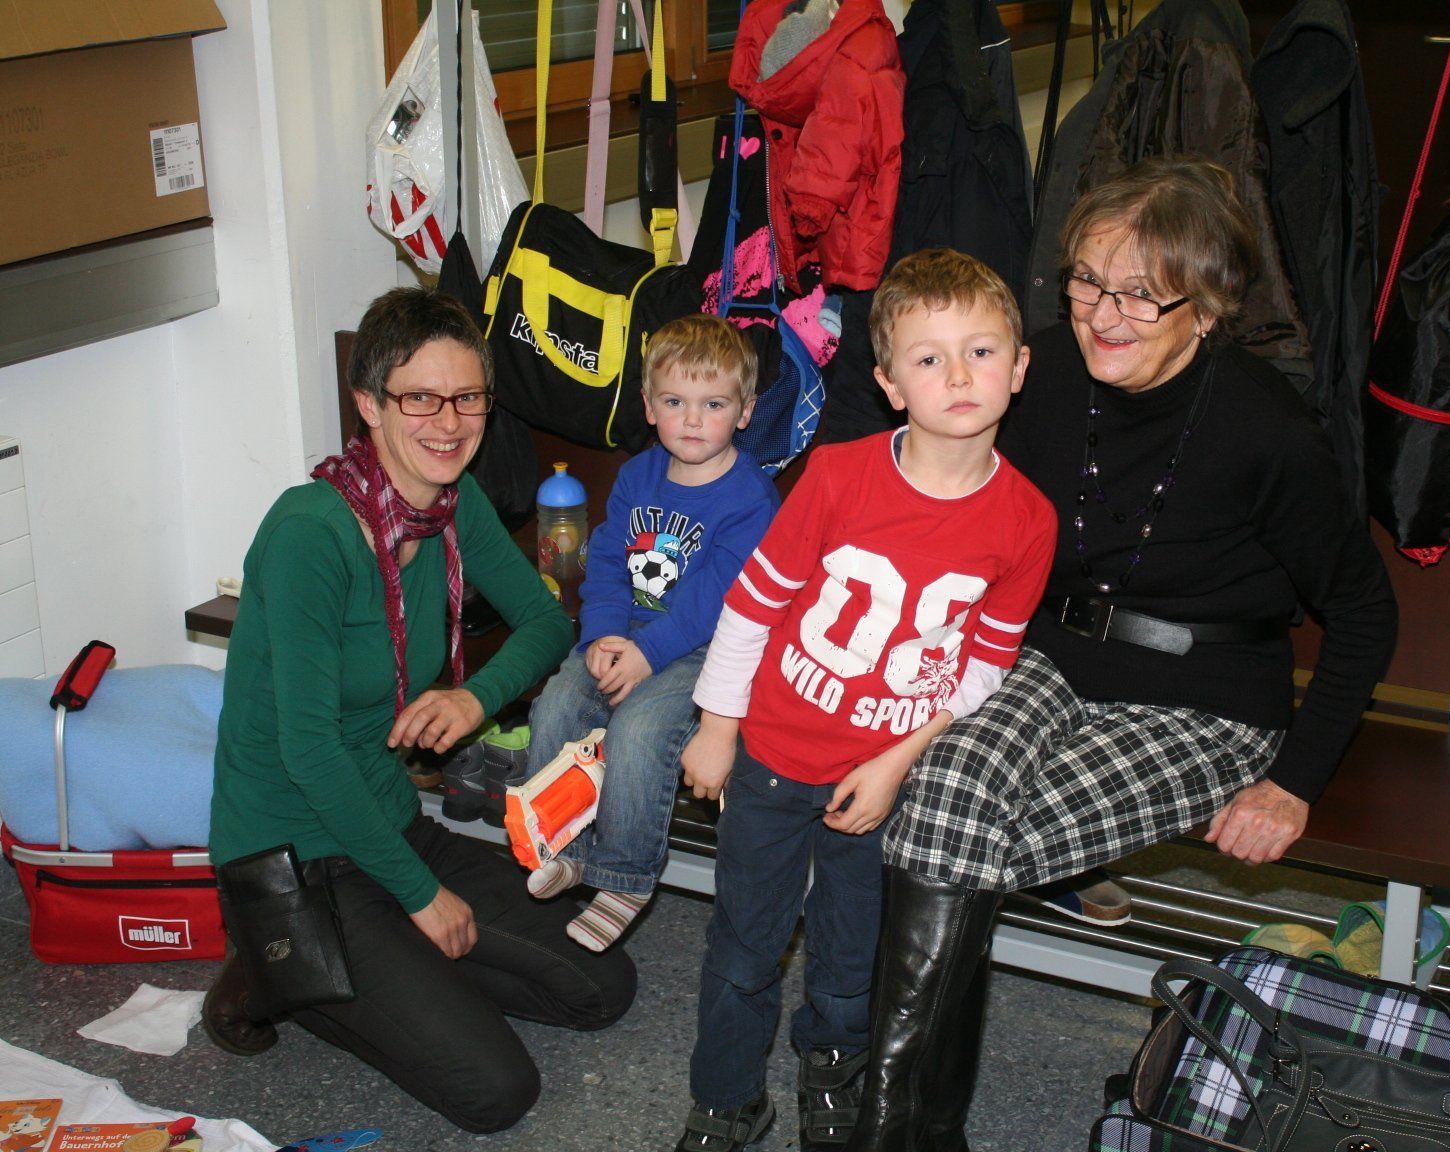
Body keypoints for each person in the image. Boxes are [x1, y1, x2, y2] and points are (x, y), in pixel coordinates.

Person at [845, 158, 1399, 1149]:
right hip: (1047, 653)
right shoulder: (1045, 372)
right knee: (948, 804)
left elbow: (1363, 614)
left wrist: (1294, 784)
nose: (1105, 315)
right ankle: (906, 1130)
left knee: (940, 840)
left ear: (1209, 306)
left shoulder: (1268, 430)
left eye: (1143, 294)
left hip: (1203, 699)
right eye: (1089, 282)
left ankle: (891, 1128)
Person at [204, 287, 636, 1133]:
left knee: (601, 986)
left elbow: (549, 621)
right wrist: (419, 896)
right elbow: (309, 751)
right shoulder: (309, 535)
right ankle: (269, 974)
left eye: (468, 396)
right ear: (369, 404)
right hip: (294, 857)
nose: (449, 421)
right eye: (420, 398)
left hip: (385, 821)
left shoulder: (451, 503)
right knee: (496, 1092)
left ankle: (389, 968)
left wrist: (475, 696)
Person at [672, 249, 1057, 1152]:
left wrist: (897, 760)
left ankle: (832, 1079)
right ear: (889, 384)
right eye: (928, 358)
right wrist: (718, 725)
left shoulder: (1027, 520)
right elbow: (754, 605)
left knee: (852, 962)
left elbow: (984, 665)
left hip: (881, 778)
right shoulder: (839, 475)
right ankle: (727, 1101)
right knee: (744, 948)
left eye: (980, 352)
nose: (957, 376)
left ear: (1018, 367)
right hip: (773, 755)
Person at [523, 314, 781, 951]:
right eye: (674, 402)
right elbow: (609, 560)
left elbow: (717, 599)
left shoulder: (751, 499)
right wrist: (603, 635)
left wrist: (646, 653)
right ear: (648, 405)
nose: (692, 420)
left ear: (745, 411)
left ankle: (627, 876)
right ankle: (563, 848)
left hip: (705, 648)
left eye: (713, 404)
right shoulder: (638, 476)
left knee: (639, 729)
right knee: (556, 705)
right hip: (628, 632)